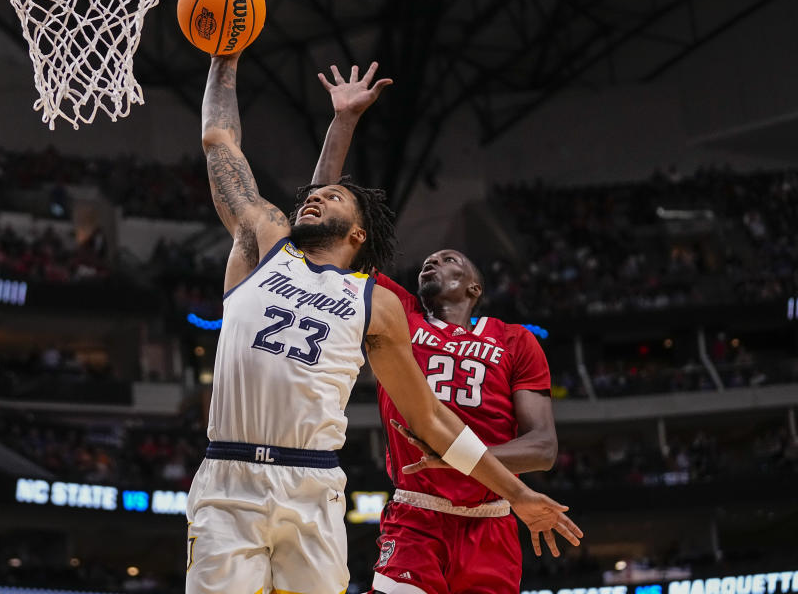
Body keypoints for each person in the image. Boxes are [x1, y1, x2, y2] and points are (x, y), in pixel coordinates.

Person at [186, 52, 582, 594]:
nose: (317, 196)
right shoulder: (264, 242)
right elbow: (219, 142)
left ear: (358, 236)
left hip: (313, 481)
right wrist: (224, 58)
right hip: (229, 474)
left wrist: (516, 493)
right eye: (315, 196)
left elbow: (432, 420)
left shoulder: (377, 302)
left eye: (333, 197)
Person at [312, 62, 565, 594]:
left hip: (493, 518)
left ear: (473, 287)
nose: (433, 261)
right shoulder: (396, 312)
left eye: (449, 259)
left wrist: (456, 454)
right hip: (416, 515)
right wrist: (343, 124)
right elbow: (325, 234)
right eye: (428, 259)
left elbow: (542, 448)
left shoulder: (516, 340)